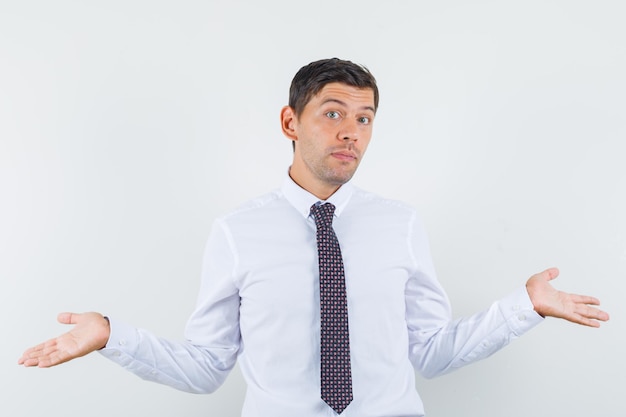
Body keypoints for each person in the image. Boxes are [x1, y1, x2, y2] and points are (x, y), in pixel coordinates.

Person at [19, 58, 609, 416]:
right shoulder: (236, 232)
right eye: (333, 112)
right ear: (289, 122)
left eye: (365, 117)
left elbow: (432, 353)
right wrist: (109, 336)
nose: (351, 131)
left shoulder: (400, 225)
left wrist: (524, 306)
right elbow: (204, 369)